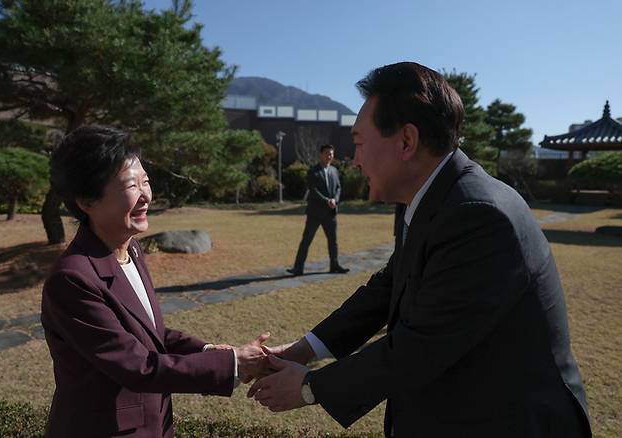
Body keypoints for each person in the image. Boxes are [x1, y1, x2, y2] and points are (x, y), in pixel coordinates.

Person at [248, 62, 592, 438]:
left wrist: (310, 387)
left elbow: (420, 347)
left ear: (406, 142)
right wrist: (302, 349)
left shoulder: (477, 213)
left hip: (507, 419)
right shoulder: (439, 197)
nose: (355, 159)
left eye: (360, 143)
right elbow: (387, 288)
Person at [41, 125, 269, 438]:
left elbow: (151, 333)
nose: (146, 195)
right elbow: (138, 366)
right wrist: (231, 365)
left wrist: (207, 349)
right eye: (131, 185)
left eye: (145, 181)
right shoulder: (72, 279)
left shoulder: (130, 249)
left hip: (153, 424)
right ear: (86, 201)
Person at [287, 144, 349, 275]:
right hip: (315, 213)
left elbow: (338, 188)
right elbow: (313, 191)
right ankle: (298, 268)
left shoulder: (334, 170)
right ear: (321, 154)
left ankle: (335, 265)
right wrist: (327, 200)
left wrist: (335, 200)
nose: (329, 156)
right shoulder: (313, 171)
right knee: (306, 240)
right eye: (327, 153)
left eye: (331, 154)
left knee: (333, 241)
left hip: (331, 212)